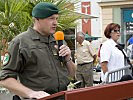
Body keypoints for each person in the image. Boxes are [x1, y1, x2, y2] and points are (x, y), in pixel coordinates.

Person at [0, 2, 76, 100]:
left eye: (56, 18)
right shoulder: (21, 42)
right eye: (51, 18)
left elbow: (72, 74)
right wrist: (31, 93)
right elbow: (4, 78)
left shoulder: (57, 41)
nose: (55, 23)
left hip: (61, 96)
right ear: (37, 19)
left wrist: (68, 58)